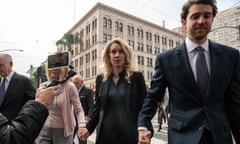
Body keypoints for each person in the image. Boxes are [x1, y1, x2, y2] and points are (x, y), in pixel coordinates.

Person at [137, 0, 240, 144]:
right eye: (195, 16)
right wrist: (143, 125)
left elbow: (235, 103)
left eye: (207, 16)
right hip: (182, 136)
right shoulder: (166, 59)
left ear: (212, 19)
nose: (201, 21)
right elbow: (153, 96)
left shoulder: (230, 56)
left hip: (219, 137)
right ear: (184, 22)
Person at [78, 38, 147, 144]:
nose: (117, 55)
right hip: (105, 136)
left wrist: (144, 129)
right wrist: (88, 128)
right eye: (113, 51)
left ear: (126, 55)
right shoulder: (101, 79)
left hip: (130, 135)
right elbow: (97, 108)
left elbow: (144, 107)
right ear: (108, 56)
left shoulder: (137, 77)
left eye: (121, 51)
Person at [35, 56, 86, 144]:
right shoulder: (43, 86)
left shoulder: (70, 86)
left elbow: (79, 109)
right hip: (44, 129)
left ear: (63, 69)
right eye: (52, 66)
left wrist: (81, 125)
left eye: (57, 67)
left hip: (63, 131)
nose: (54, 69)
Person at [0, 53, 35, 122]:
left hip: (15, 127)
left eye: (1, 65)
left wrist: (23, 120)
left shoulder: (24, 81)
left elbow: (33, 104)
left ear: (11, 64)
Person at [72, 74, 94, 144]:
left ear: (81, 82)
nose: (74, 84)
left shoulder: (88, 91)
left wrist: (88, 117)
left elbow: (91, 106)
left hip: (82, 120)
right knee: (69, 139)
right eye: (73, 83)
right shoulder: (72, 91)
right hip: (72, 120)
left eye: (76, 83)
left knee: (82, 140)